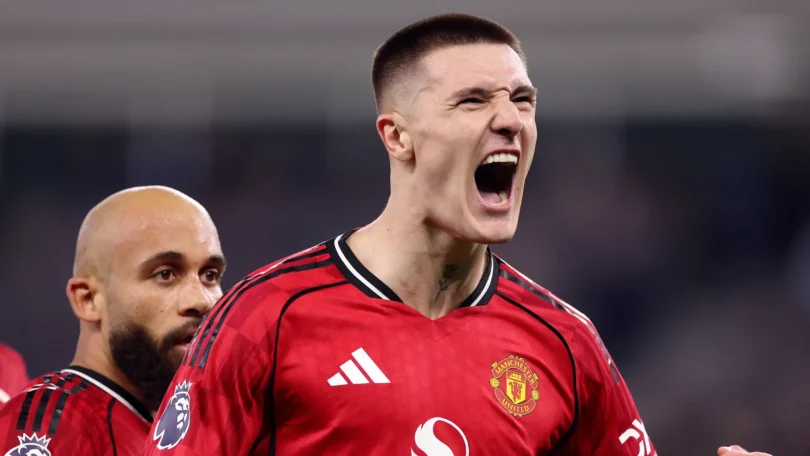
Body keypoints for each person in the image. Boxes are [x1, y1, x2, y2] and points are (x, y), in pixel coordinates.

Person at [143, 14, 767, 456]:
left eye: (523, 100)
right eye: (473, 101)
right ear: (397, 136)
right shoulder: (269, 316)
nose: (511, 120)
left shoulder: (565, 341)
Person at [0, 186, 226, 456]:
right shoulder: (53, 425)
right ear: (89, 300)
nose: (201, 301)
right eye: (165, 274)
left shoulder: (175, 431)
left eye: (210, 275)